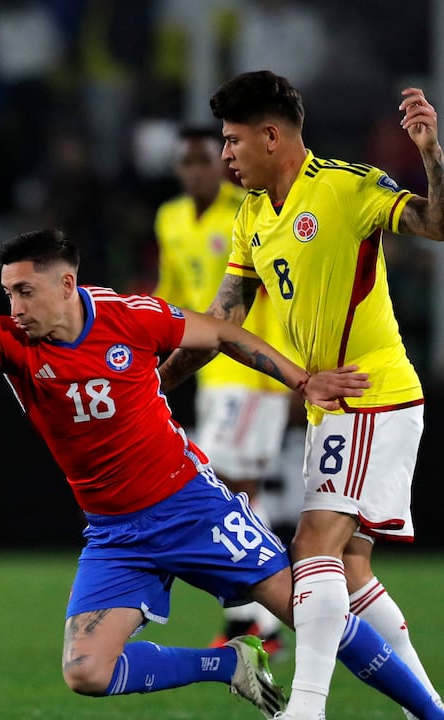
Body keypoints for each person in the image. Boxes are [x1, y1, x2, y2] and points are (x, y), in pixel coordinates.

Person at [0, 228, 444, 720]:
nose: (15, 308)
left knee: (314, 613)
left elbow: (224, 332)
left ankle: (435, 715)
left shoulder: (132, 318)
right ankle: (230, 662)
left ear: (66, 285)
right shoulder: (9, 342)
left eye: (25, 292)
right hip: (114, 534)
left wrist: (301, 381)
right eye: (8, 293)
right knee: (85, 672)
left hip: (191, 508)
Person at [157, 70, 444, 720]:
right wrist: (154, 390)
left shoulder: (347, 188)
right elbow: (219, 322)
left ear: (272, 136)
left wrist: (431, 155)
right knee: (351, 571)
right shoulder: (250, 216)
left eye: (234, 140)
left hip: (369, 390)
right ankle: (432, 712)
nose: (227, 155)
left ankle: (306, 707)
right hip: (333, 403)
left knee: (313, 546)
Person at [153, 124, 294, 656]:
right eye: (185, 162)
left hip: (249, 371)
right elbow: (171, 291)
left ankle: (253, 619)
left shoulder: (248, 211)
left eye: (203, 160)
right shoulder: (169, 219)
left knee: (228, 487)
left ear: (221, 162)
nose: (194, 170)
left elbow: (274, 294)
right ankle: (263, 622)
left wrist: (288, 370)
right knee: (234, 490)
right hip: (209, 372)